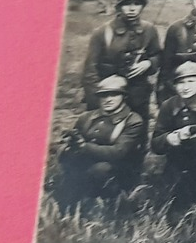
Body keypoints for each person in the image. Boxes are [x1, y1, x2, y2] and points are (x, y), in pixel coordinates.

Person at [54, 75, 147, 207]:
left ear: (124, 97)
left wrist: (83, 146)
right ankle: (71, 205)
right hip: (87, 162)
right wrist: (67, 144)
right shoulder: (87, 117)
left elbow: (118, 152)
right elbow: (72, 141)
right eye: (104, 95)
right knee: (69, 163)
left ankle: (113, 205)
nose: (108, 99)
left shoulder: (133, 120)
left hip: (119, 169)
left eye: (114, 95)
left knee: (100, 170)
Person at [146, 61, 196, 211]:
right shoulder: (168, 105)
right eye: (180, 82)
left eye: (191, 81)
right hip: (177, 155)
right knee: (168, 192)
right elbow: (156, 143)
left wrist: (192, 139)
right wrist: (169, 139)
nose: (185, 87)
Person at [82, 0, 161, 122]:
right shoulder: (102, 32)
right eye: (127, 4)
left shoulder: (149, 29)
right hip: (108, 93)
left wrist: (148, 63)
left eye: (137, 4)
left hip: (138, 93)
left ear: (142, 7)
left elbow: (158, 55)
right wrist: (96, 100)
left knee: (138, 128)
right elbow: (90, 70)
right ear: (119, 7)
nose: (132, 9)